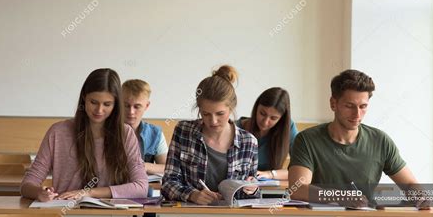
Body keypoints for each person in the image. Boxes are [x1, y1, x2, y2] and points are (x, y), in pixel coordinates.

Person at [288, 69, 428, 208]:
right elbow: (297, 189)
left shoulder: (380, 141)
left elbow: (409, 184)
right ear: (333, 104)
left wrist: (420, 196)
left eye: (363, 106)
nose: (357, 114)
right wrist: (341, 197)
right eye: (349, 106)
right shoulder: (307, 140)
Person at [21, 68, 148, 201]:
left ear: (116, 105)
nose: (99, 110)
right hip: (65, 214)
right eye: (93, 102)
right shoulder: (58, 132)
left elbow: (141, 188)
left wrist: (88, 192)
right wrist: (39, 192)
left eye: (107, 104)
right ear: (84, 98)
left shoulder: (125, 133)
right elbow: (27, 184)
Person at [161, 65, 259, 205]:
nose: (213, 121)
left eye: (220, 114)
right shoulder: (183, 132)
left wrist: (252, 190)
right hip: (190, 216)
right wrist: (192, 195)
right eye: (206, 114)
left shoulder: (249, 142)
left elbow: (254, 197)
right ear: (199, 109)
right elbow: (168, 183)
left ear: (231, 108)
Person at [236, 87, 297, 180]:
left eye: (273, 118)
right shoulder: (236, 128)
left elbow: (299, 171)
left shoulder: (288, 128)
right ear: (256, 108)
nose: (265, 122)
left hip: (269, 189)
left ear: (281, 119)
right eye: (262, 113)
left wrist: (270, 174)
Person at [122, 79, 168, 175]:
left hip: (144, 188)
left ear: (146, 106)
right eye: (126, 105)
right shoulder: (107, 131)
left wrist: (145, 166)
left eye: (137, 106)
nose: (131, 112)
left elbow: (167, 167)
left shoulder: (155, 133)